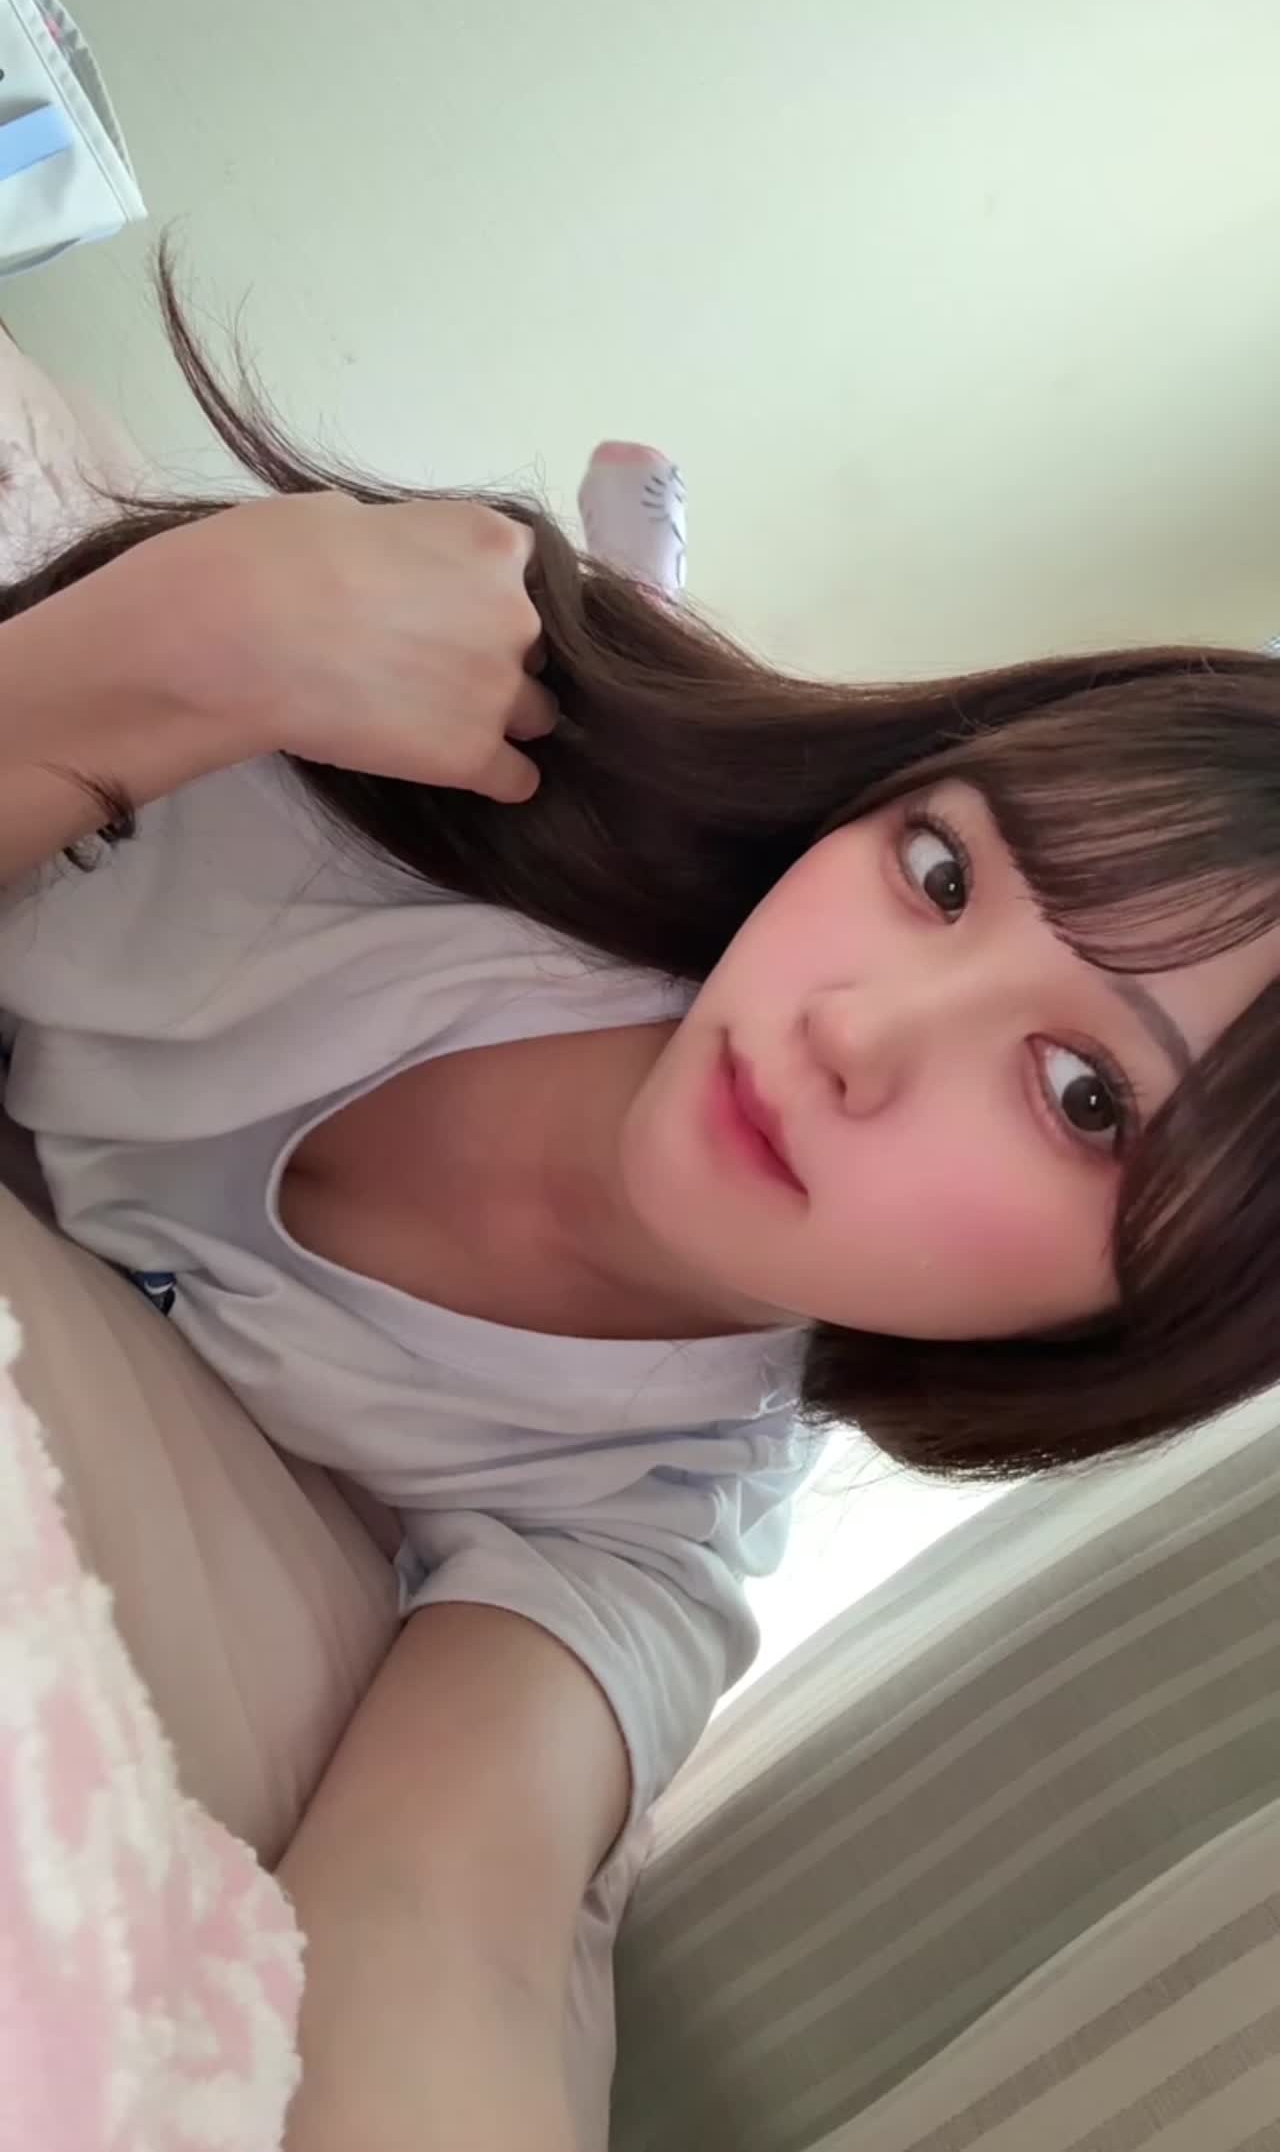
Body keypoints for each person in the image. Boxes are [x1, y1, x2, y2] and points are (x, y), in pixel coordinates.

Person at [1, 275, 1279, 2152]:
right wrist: (186, 643)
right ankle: (639, 578)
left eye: (1087, 1095)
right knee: (622, 666)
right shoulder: (391, 794)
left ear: (1141, 1320)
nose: (853, 1030)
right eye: (940, 871)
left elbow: (451, 1931)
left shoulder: (643, 1522)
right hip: (568, 778)